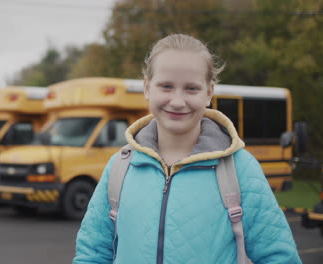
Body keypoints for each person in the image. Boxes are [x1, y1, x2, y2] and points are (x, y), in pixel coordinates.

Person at [73, 34, 301, 263]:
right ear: (146, 87)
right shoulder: (119, 167)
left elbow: (279, 257)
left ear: (209, 92)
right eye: (166, 86)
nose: (178, 101)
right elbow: (91, 254)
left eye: (191, 88)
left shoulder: (240, 168)